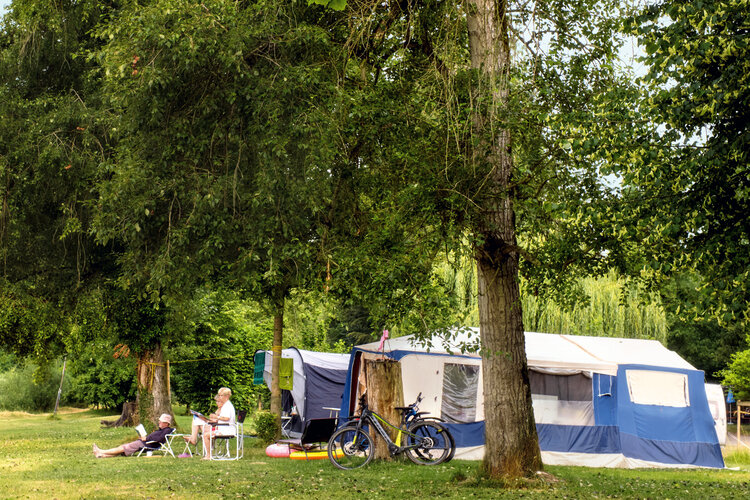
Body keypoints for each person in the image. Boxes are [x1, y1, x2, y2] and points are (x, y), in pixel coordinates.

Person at [180, 387, 236, 459]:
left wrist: (216, 417)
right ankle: (203, 449)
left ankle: (208, 455)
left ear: (227, 396)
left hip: (226, 430)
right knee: (204, 429)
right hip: (222, 428)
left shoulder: (227, 406)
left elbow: (226, 418)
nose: (220, 397)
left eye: (221, 396)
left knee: (206, 435)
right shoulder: (226, 405)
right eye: (219, 395)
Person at [93, 413, 174, 458]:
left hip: (146, 444)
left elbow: (159, 439)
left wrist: (146, 438)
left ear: (167, 423)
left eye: (161, 421)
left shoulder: (166, 431)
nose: (159, 422)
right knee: (124, 448)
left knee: (123, 448)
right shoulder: (162, 430)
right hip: (144, 442)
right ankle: (102, 455)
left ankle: (101, 451)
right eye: (159, 421)